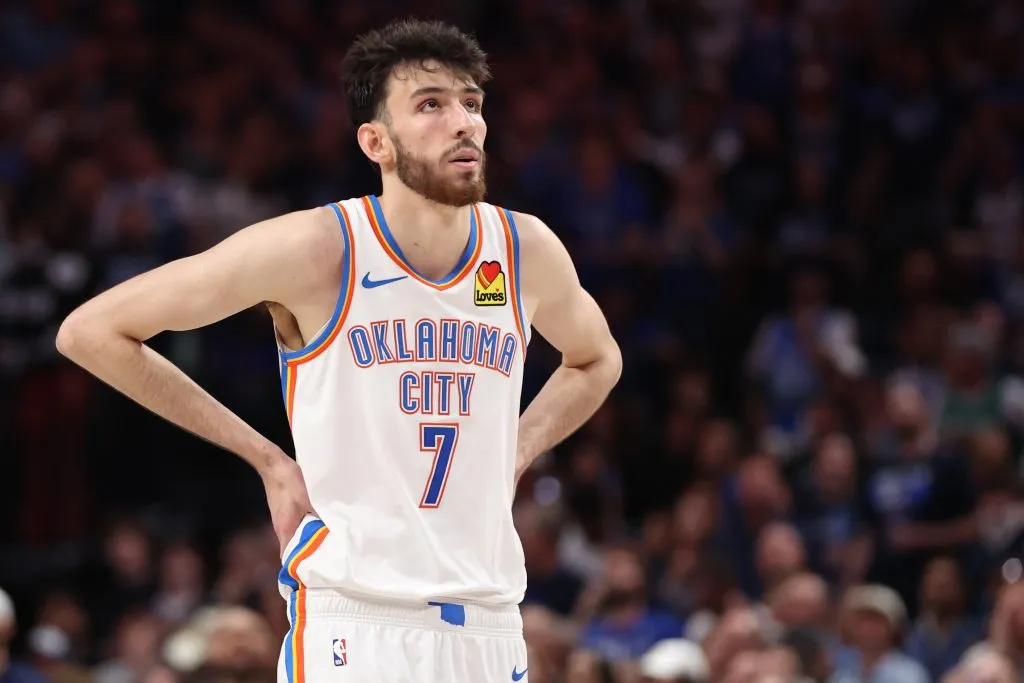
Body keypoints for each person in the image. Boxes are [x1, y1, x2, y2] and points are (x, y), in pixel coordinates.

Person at [56, 17, 621, 683]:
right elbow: (91, 331)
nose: (464, 122)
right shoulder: (317, 250)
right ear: (375, 140)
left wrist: (519, 446)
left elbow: (597, 359)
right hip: (358, 620)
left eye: (472, 103)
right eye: (431, 104)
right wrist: (265, 458)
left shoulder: (523, 251)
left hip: (490, 623)